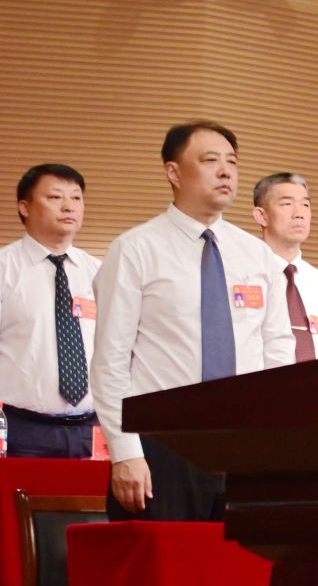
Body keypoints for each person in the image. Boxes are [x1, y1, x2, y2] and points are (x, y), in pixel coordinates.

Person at [91, 122, 295, 520]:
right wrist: (125, 452)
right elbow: (110, 361)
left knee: (238, 560)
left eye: (232, 162)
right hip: (162, 447)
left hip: (243, 446)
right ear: (174, 172)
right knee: (164, 559)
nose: (225, 171)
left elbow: (278, 350)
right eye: (210, 160)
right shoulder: (135, 249)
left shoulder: (256, 255)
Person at [1, 164, 100, 457]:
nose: (69, 206)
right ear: (24, 207)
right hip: (21, 431)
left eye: (76, 198)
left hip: (92, 429)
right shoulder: (5, 269)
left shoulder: (100, 272)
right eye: (55, 197)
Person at [251, 173, 318, 361]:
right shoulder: (244, 274)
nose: (299, 213)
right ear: (261, 216)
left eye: (305, 205)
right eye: (287, 204)